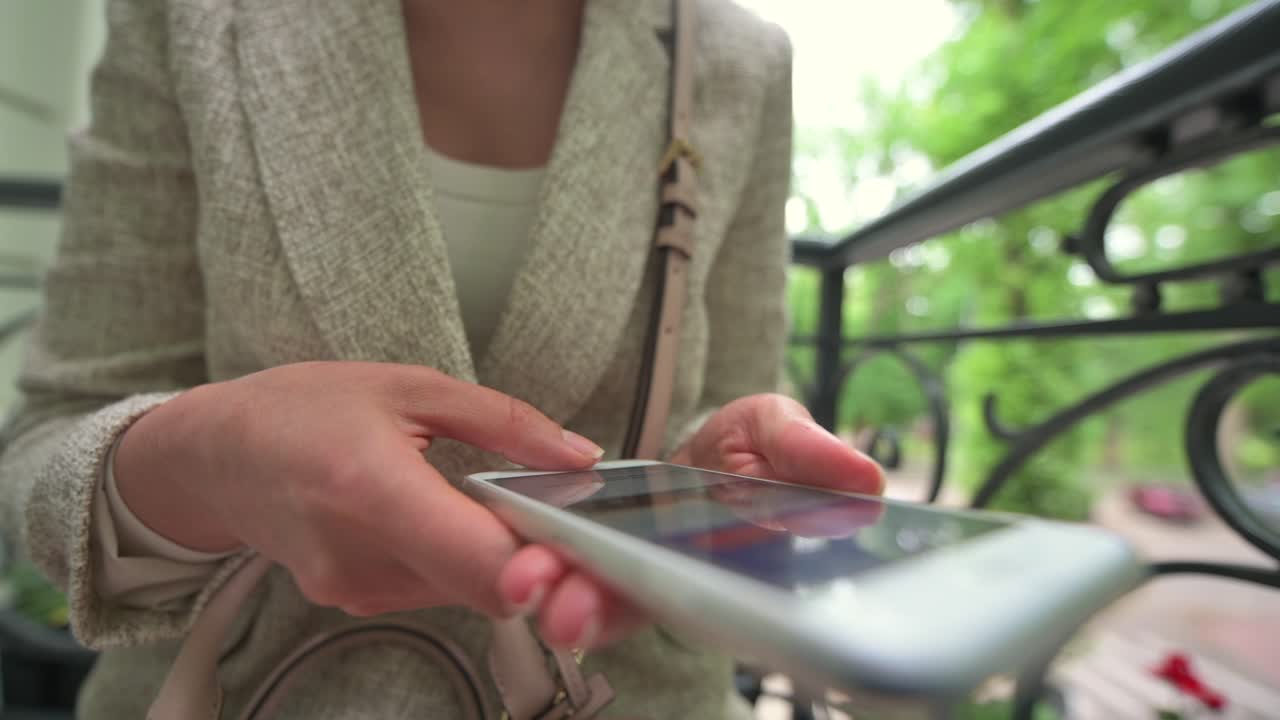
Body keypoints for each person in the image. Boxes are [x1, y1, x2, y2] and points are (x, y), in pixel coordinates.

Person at [0, 0, 884, 717]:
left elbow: (728, 397)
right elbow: (46, 444)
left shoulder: (743, 59)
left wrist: (706, 494)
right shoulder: (189, 15)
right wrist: (209, 459)